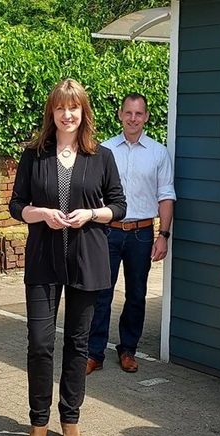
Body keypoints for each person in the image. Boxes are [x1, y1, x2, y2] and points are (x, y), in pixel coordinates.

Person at [8, 79, 126, 436]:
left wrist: (92, 213)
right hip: (43, 262)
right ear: (52, 113)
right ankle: (38, 421)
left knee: (77, 344)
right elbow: (16, 205)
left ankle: (70, 419)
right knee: (40, 343)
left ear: (83, 112)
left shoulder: (101, 156)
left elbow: (119, 206)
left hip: (87, 261)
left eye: (73, 107)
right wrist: (40, 213)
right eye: (60, 108)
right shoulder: (34, 154)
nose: (67, 114)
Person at [86, 93, 175, 375]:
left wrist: (164, 235)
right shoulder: (104, 150)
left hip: (141, 234)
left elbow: (166, 196)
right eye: (128, 113)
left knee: (136, 295)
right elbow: (93, 194)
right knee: (101, 293)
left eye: (139, 114)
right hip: (107, 232)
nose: (133, 119)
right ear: (120, 115)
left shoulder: (158, 153)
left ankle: (128, 350)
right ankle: (94, 353)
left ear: (146, 116)